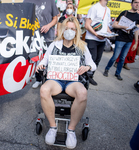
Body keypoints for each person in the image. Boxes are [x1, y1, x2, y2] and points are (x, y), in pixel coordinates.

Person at [36, 17, 96, 149]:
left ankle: (71, 130)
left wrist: (88, 67)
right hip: (56, 79)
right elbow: (44, 60)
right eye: (67, 28)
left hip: (73, 81)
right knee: (44, 90)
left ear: (77, 31)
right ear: (63, 29)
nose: (70, 31)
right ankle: (53, 127)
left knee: (82, 92)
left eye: (73, 29)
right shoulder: (54, 44)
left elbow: (92, 64)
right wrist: (40, 66)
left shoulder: (82, 46)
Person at [23, 0, 59, 89]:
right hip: (34, 36)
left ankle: (49, 80)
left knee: (49, 59)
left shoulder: (50, 1)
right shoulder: (26, 1)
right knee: (36, 59)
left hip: (48, 36)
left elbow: (55, 19)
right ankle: (38, 79)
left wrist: (48, 26)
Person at [103, 0, 139, 80]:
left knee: (123, 58)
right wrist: (124, 27)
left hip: (129, 40)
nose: (137, 4)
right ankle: (107, 69)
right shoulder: (124, 13)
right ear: (131, 4)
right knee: (115, 56)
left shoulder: (138, 16)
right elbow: (114, 24)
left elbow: (136, 30)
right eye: (136, 2)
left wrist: (136, 42)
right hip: (120, 39)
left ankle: (118, 73)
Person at [85, 0, 111, 85]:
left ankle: (90, 77)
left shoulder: (108, 10)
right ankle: (85, 77)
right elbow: (87, 25)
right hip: (92, 39)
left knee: (97, 60)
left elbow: (105, 24)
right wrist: (96, 34)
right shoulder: (94, 8)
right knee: (91, 59)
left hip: (102, 39)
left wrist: (110, 32)